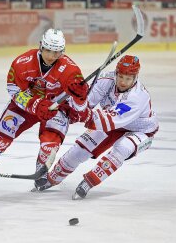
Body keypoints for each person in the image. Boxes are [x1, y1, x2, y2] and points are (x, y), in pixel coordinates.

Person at [0, 28, 89, 196]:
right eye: (48, 50)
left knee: (49, 147)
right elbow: (13, 89)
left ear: (62, 52)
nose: (51, 56)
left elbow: (80, 110)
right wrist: (34, 105)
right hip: (25, 106)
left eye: (56, 52)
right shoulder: (22, 62)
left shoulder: (71, 70)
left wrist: (80, 98)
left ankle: (40, 173)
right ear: (41, 46)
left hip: (54, 108)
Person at [34, 55, 159, 199]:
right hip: (112, 123)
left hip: (141, 130)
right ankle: (51, 179)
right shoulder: (106, 80)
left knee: (123, 148)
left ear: (135, 77)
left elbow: (107, 120)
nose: (123, 82)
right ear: (116, 73)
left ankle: (88, 182)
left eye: (128, 78)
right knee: (79, 150)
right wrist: (77, 99)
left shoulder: (138, 97)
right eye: (121, 77)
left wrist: (84, 115)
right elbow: (87, 104)